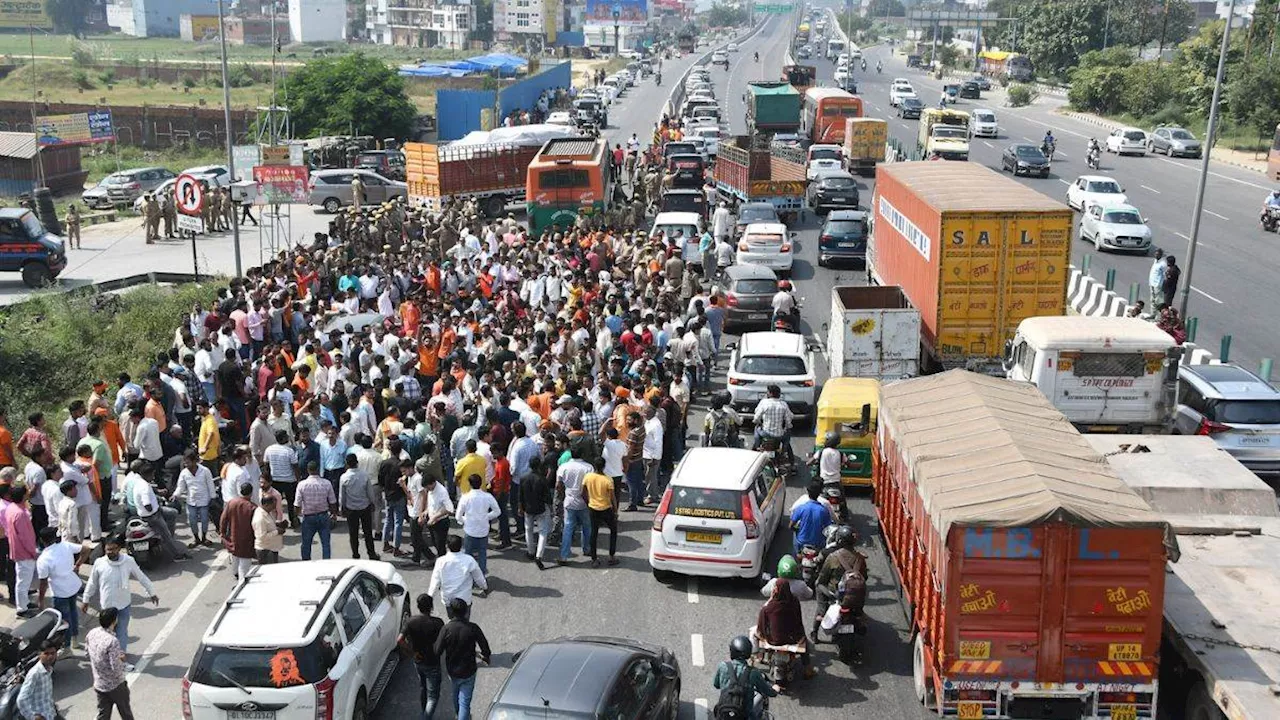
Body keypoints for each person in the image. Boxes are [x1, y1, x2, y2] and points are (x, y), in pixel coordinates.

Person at [81, 534, 159, 661]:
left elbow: (141, 576)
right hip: (107, 607)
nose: (110, 552)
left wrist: (152, 592)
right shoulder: (99, 563)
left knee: (121, 632)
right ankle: (105, 653)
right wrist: (86, 599)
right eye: (108, 549)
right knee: (107, 634)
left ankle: (120, 657)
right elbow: (92, 582)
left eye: (113, 549)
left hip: (124, 605)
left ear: (119, 548)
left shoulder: (128, 561)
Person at [434, 598, 491, 720]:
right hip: (469, 670)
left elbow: (437, 650)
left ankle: (459, 714)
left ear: (452, 612)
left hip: (453, 671)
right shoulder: (473, 627)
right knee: (464, 702)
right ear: (466, 611)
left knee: (455, 694)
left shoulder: (446, 629)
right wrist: (485, 656)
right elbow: (485, 647)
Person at [812, 526, 868, 643]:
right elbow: (865, 578)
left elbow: (822, 579)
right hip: (854, 597)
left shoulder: (833, 557)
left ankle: (815, 631)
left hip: (834, 595)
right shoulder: (860, 559)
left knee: (818, 586)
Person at [756, 580, 816, 679]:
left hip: (773, 640)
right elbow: (798, 621)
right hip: (792, 638)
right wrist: (801, 636)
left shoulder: (769, 607)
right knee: (805, 646)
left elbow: (761, 625)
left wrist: (762, 636)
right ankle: (807, 669)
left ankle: (758, 656)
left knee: (754, 634)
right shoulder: (794, 602)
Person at [399, 593, 445, 719]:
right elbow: (444, 642)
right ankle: (425, 717)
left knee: (423, 688)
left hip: (418, 661)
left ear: (418, 606)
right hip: (432, 662)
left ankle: (423, 713)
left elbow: (400, 640)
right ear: (431, 607)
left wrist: (412, 653)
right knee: (433, 697)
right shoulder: (438, 623)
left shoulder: (411, 622)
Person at [86, 606, 136, 720]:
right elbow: (116, 667)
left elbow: (87, 652)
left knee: (103, 714)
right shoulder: (112, 641)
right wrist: (122, 659)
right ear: (114, 621)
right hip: (115, 685)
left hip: (99, 683)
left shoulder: (92, 633)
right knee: (126, 713)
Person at [712, 636, 779, 720]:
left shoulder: (723, 666)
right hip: (745, 716)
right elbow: (768, 692)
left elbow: (716, 685)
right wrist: (775, 690)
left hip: (723, 714)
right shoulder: (753, 673)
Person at [455, 474, 500, 576]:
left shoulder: (465, 498)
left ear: (470, 484)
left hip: (470, 531)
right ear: (481, 483)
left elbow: (458, 516)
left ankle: (468, 576)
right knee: (482, 555)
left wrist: (465, 520)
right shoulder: (488, 497)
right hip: (483, 531)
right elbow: (497, 512)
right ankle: (481, 577)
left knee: (468, 555)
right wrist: (486, 517)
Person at [426, 535, 487, 608]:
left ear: (447, 546)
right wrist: (484, 586)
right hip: (465, 599)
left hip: (448, 599)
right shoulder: (469, 560)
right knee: (464, 618)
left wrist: (430, 596)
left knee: (452, 618)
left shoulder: (440, 561)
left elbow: (435, 580)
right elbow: (478, 577)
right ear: (461, 546)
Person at [339, 453, 379, 560]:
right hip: (364, 507)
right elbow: (370, 492)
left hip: (351, 508)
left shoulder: (344, 477)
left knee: (353, 533)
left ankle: (355, 554)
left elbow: (342, 496)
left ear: (346, 464)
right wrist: (372, 503)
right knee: (368, 532)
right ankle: (371, 554)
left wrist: (342, 507)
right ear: (357, 462)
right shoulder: (364, 475)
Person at [174, 449, 217, 548]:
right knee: (192, 520)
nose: (186, 465)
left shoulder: (205, 471)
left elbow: (210, 485)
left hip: (204, 500)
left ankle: (204, 538)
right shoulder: (184, 473)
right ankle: (196, 538)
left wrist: (213, 497)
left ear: (194, 461)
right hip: (191, 501)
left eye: (188, 462)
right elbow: (180, 486)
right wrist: (176, 495)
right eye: (185, 462)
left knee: (205, 520)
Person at [296, 462, 337, 560]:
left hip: (308, 516)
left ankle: (306, 563)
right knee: (326, 544)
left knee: (306, 544)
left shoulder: (302, 485)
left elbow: (297, 503)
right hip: (323, 515)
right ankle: (326, 563)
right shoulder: (326, 483)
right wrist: (334, 514)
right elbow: (332, 501)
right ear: (318, 470)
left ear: (308, 470)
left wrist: (297, 515)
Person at [583, 456, 618, 567]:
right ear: (604, 466)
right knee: (613, 530)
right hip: (606, 508)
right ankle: (611, 556)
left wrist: (588, 501)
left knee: (594, 533)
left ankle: (594, 558)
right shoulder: (608, 480)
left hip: (593, 508)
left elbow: (583, 491)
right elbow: (613, 498)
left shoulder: (588, 477)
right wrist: (615, 511)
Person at [520, 456, 553, 570]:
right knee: (543, 532)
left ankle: (530, 552)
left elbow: (521, 496)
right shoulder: (542, 479)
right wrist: (551, 508)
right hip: (540, 509)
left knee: (528, 530)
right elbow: (548, 497)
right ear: (539, 465)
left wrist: (521, 508)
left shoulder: (524, 478)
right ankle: (539, 556)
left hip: (528, 509)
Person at [219, 482, 257, 581]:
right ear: (251, 493)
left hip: (233, 537)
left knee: (235, 557)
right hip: (247, 540)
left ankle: (235, 574)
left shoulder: (232, 502)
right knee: (244, 567)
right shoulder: (252, 507)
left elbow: (223, 519)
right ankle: (241, 585)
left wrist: (222, 533)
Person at [16, 639, 60, 720]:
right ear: (40, 654)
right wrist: (32, 717)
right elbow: (21, 699)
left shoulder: (49, 669)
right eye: (46, 653)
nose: (50, 656)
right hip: (42, 715)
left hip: (50, 713)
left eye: (53, 653)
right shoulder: (35, 673)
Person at [789, 482, 832, 557]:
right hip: (818, 543)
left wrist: (796, 529)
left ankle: (796, 556)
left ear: (808, 492)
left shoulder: (801, 508)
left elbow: (790, 526)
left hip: (802, 542)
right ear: (819, 494)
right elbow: (828, 528)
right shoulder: (824, 510)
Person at [252, 495, 285, 564]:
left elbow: (268, 525)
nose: (275, 507)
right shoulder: (260, 518)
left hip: (272, 548)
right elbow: (261, 537)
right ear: (266, 505)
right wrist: (277, 532)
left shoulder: (267, 511)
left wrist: (278, 524)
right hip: (265, 550)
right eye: (273, 505)